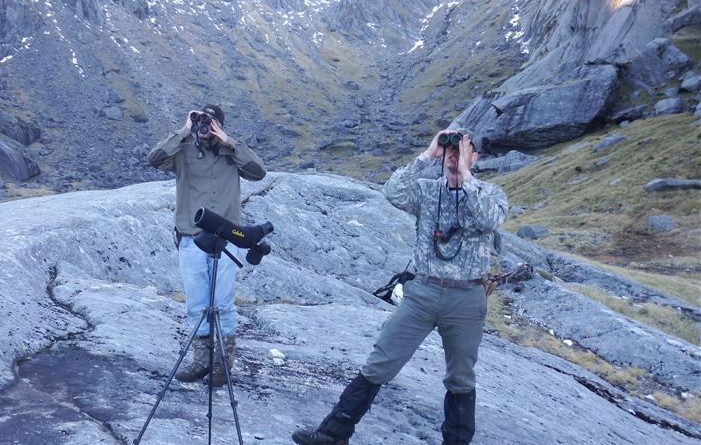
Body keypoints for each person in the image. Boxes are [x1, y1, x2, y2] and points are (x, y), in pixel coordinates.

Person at [292, 128, 508, 445]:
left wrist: (464, 176)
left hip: (466, 297)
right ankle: (333, 434)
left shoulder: (490, 194)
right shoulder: (426, 191)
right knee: (380, 361)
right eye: (449, 148)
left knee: (460, 377)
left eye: (462, 148)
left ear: (474, 156)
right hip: (423, 293)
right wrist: (429, 154)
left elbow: (490, 220)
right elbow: (393, 192)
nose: (453, 153)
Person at [148, 104, 266, 387]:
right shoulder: (183, 152)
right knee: (196, 303)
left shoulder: (232, 154)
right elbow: (154, 158)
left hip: (226, 240)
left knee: (223, 302)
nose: (204, 126)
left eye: (210, 122)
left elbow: (258, 172)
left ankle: (223, 365)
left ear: (219, 126)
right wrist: (184, 130)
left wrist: (228, 141)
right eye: (201, 120)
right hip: (191, 238)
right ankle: (201, 362)